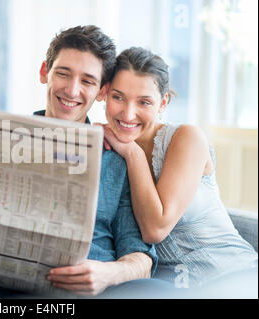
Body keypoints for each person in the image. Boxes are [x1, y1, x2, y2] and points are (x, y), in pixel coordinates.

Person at [0, 26, 172, 299]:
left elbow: (142, 258)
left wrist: (107, 274)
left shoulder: (116, 160)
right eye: (63, 73)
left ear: (101, 90)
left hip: (82, 297)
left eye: (87, 81)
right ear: (44, 72)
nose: (72, 91)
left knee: (162, 294)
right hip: (2, 296)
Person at [98, 46, 258, 297]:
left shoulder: (186, 137)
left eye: (144, 102)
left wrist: (132, 153)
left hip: (232, 276)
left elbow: (155, 229)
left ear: (163, 103)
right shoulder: (105, 148)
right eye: (118, 97)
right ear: (104, 94)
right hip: (169, 288)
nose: (128, 113)